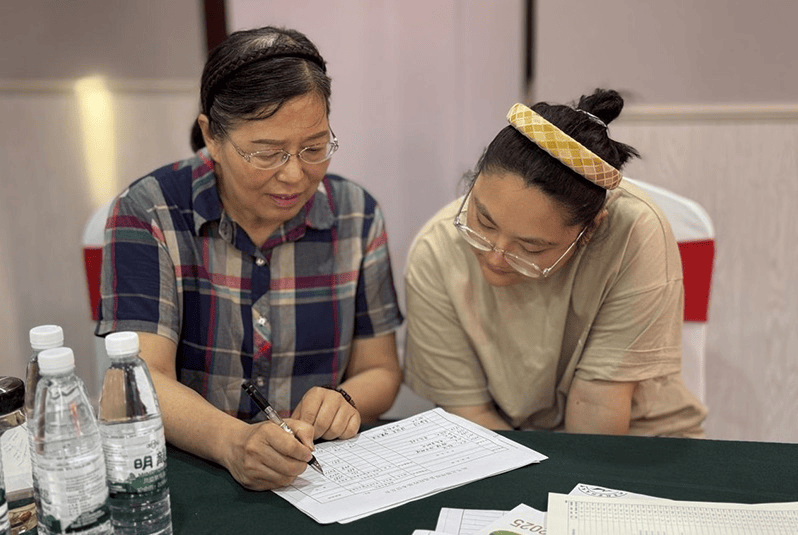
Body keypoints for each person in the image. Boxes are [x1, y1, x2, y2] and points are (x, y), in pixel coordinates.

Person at [96, 26, 404, 490]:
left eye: (314, 148)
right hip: (195, 474)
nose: (295, 175)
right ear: (211, 137)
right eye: (266, 153)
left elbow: (380, 370)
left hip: (316, 474)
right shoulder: (150, 211)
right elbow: (142, 378)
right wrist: (234, 443)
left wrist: (342, 401)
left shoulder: (356, 215)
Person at [404, 89, 707, 437]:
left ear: (589, 230)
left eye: (530, 247)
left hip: (637, 441)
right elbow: (470, 413)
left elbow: (596, 412)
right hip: (505, 441)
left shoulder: (634, 235)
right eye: (484, 222)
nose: (495, 256)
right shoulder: (436, 253)